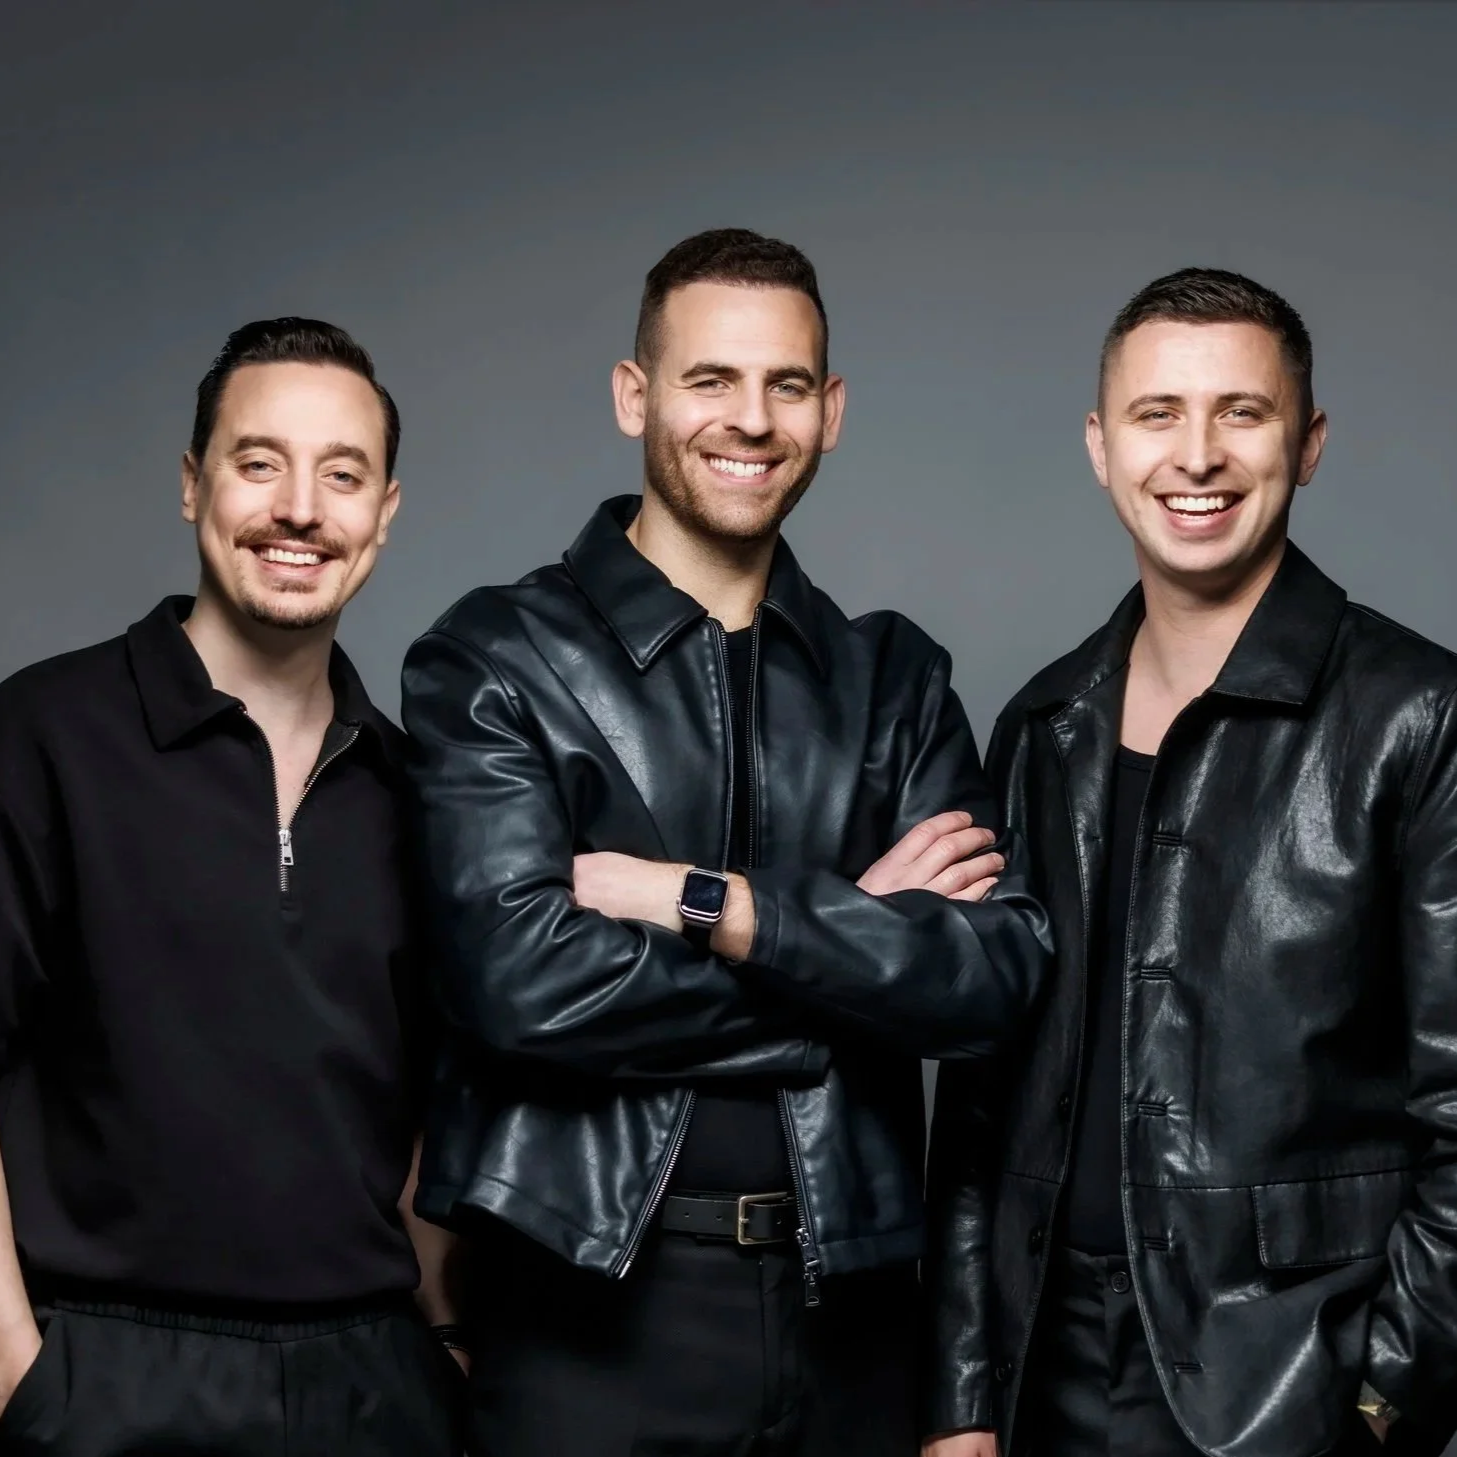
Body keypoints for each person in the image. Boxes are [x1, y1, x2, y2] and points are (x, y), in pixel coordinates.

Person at [402, 227, 1051, 1456]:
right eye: (710, 380)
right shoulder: (498, 658)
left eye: (786, 384)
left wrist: (714, 903)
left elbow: (991, 979)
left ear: (831, 409)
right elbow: (519, 982)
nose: (749, 420)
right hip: (586, 1311)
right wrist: (852, 940)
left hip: (850, 1317)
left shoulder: (892, 679)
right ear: (633, 394)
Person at [923, 268, 1457, 1457]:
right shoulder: (1043, 724)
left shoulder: (1416, 716)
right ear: (1099, 445)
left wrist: (1376, 1404)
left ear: (1306, 443)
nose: (1196, 454)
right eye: (1157, 413)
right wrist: (958, 1392)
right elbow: (975, 1098)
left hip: (1290, 1385)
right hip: (1037, 1376)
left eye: (1242, 411)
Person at [0, 319, 464, 1454]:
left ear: (384, 513)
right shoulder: (46, 734)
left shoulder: (419, 787)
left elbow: (427, 1108)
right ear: (192, 482)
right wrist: (24, 1382)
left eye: (340, 473)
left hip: (373, 1382)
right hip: (106, 1377)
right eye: (259, 461)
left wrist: (443, 1341)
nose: (300, 507)